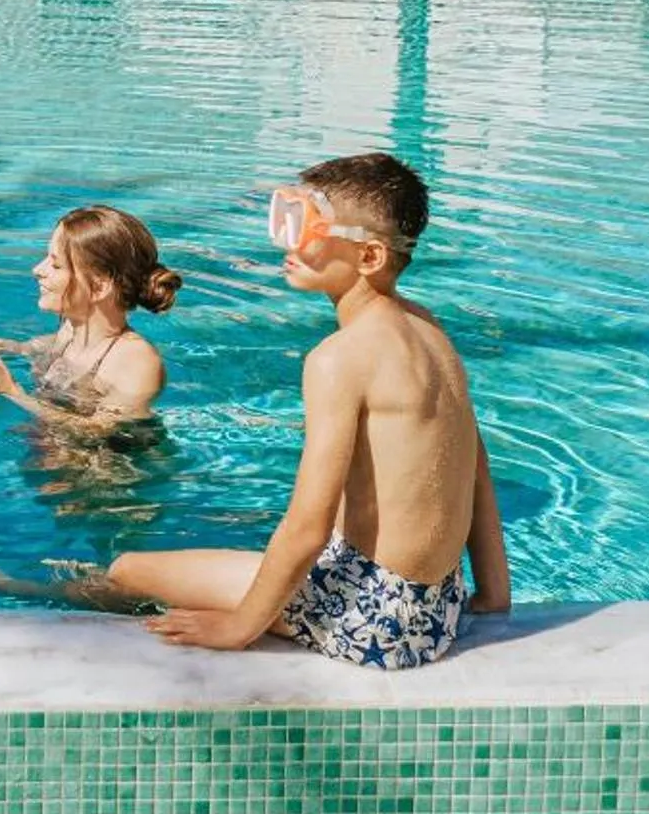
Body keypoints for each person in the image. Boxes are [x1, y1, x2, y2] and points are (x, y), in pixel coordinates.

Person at [108, 152, 509, 668]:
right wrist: (494, 597)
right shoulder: (429, 329)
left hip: (369, 621)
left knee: (124, 571)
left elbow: (307, 525)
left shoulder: (338, 359)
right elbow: (475, 468)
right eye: (288, 218)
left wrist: (239, 627)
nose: (290, 242)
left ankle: (41, 596)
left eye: (307, 226)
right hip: (434, 612)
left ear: (368, 257)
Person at [0, 205, 177, 425]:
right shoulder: (70, 330)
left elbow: (97, 432)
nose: (37, 269)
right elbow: (23, 349)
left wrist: (9, 389)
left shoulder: (136, 361)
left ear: (99, 287)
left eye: (55, 265)